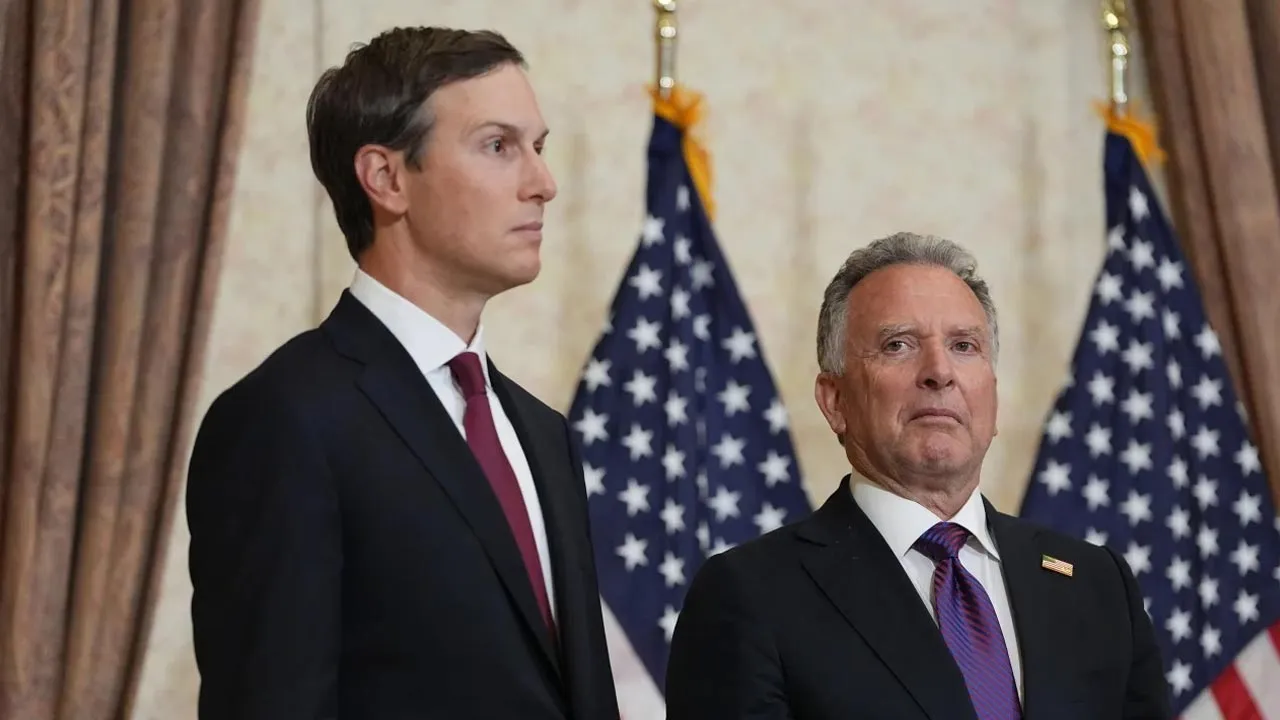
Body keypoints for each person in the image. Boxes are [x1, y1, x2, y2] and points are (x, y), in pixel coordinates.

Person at [186, 26, 619, 720]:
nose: (544, 184)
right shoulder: (284, 419)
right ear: (386, 178)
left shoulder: (543, 433)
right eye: (498, 146)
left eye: (538, 148)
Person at [665, 232, 1172, 719]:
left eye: (964, 346)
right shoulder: (750, 595)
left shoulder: (1097, 585)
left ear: (992, 397)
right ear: (835, 401)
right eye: (899, 345)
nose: (939, 372)